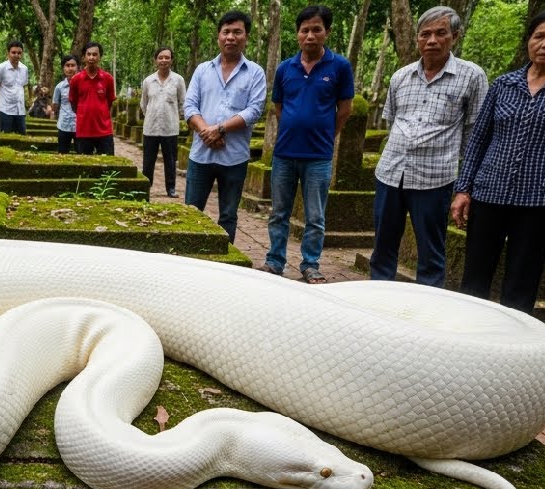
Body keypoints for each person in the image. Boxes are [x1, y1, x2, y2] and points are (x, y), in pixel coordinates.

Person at [451, 6, 545, 314]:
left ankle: (512, 350)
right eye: (539, 36)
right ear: (528, 40)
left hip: (539, 197)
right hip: (489, 191)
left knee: (521, 282)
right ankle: (465, 337)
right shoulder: (505, 83)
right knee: (474, 278)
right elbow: (480, 138)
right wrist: (463, 189)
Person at [368, 6, 487, 287]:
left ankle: (427, 312)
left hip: (434, 179)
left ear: (454, 36)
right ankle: (376, 302)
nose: (432, 40)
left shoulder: (472, 76)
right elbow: (394, 120)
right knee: (383, 247)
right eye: (425, 34)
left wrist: (466, 187)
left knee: (430, 253)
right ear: (418, 39)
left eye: (440, 33)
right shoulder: (401, 77)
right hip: (391, 174)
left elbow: (474, 133)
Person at [263, 5, 354, 284]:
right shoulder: (285, 68)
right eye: (305, 30)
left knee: (315, 215)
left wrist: (327, 135)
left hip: (318, 156)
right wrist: (295, 124)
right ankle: (275, 261)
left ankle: (310, 263)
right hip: (285, 153)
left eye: (317, 29)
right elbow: (279, 106)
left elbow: (345, 109)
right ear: (297, 34)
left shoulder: (339, 67)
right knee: (279, 212)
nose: (310, 35)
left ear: (327, 32)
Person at [182, 11, 266, 241]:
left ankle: (225, 261)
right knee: (191, 211)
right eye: (226, 32)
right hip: (201, 155)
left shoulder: (255, 73)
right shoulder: (202, 70)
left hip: (234, 158)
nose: (231, 37)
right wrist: (206, 131)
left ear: (246, 37)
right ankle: (188, 259)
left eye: (237, 32)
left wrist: (220, 129)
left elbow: (254, 110)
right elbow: (189, 106)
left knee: (228, 215)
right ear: (219, 36)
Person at [141, 47, 188, 198]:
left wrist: (176, 117)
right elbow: (144, 104)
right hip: (151, 128)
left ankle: (171, 188)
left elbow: (183, 102)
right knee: (148, 161)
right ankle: (145, 188)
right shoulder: (148, 81)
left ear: (172, 60)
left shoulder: (178, 80)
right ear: (155, 60)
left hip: (170, 128)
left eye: (167, 57)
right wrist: (151, 115)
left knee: (170, 160)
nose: (164, 60)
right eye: (160, 57)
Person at [68, 41, 117, 155]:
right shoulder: (76, 79)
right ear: (84, 57)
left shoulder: (107, 78)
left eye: (95, 54)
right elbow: (73, 103)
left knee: (109, 167)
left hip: (104, 131)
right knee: (84, 168)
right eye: (88, 54)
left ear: (100, 56)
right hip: (83, 131)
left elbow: (109, 102)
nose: (91, 57)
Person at [0, 40, 30, 134]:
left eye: (19, 53)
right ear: (8, 53)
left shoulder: (24, 69)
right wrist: (0, 102)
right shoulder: (1, 68)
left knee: (22, 136)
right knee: (6, 137)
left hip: (20, 110)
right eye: (13, 52)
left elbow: (23, 87)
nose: (16, 55)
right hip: (5, 110)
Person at [49, 55, 79, 154]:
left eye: (73, 65)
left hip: (80, 125)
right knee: (62, 153)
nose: (70, 68)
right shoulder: (59, 87)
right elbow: (55, 105)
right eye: (67, 65)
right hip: (64, 125)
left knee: (82, 153)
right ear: (63, 68)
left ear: (77, 67)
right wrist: (51, 110)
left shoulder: (83, 85)